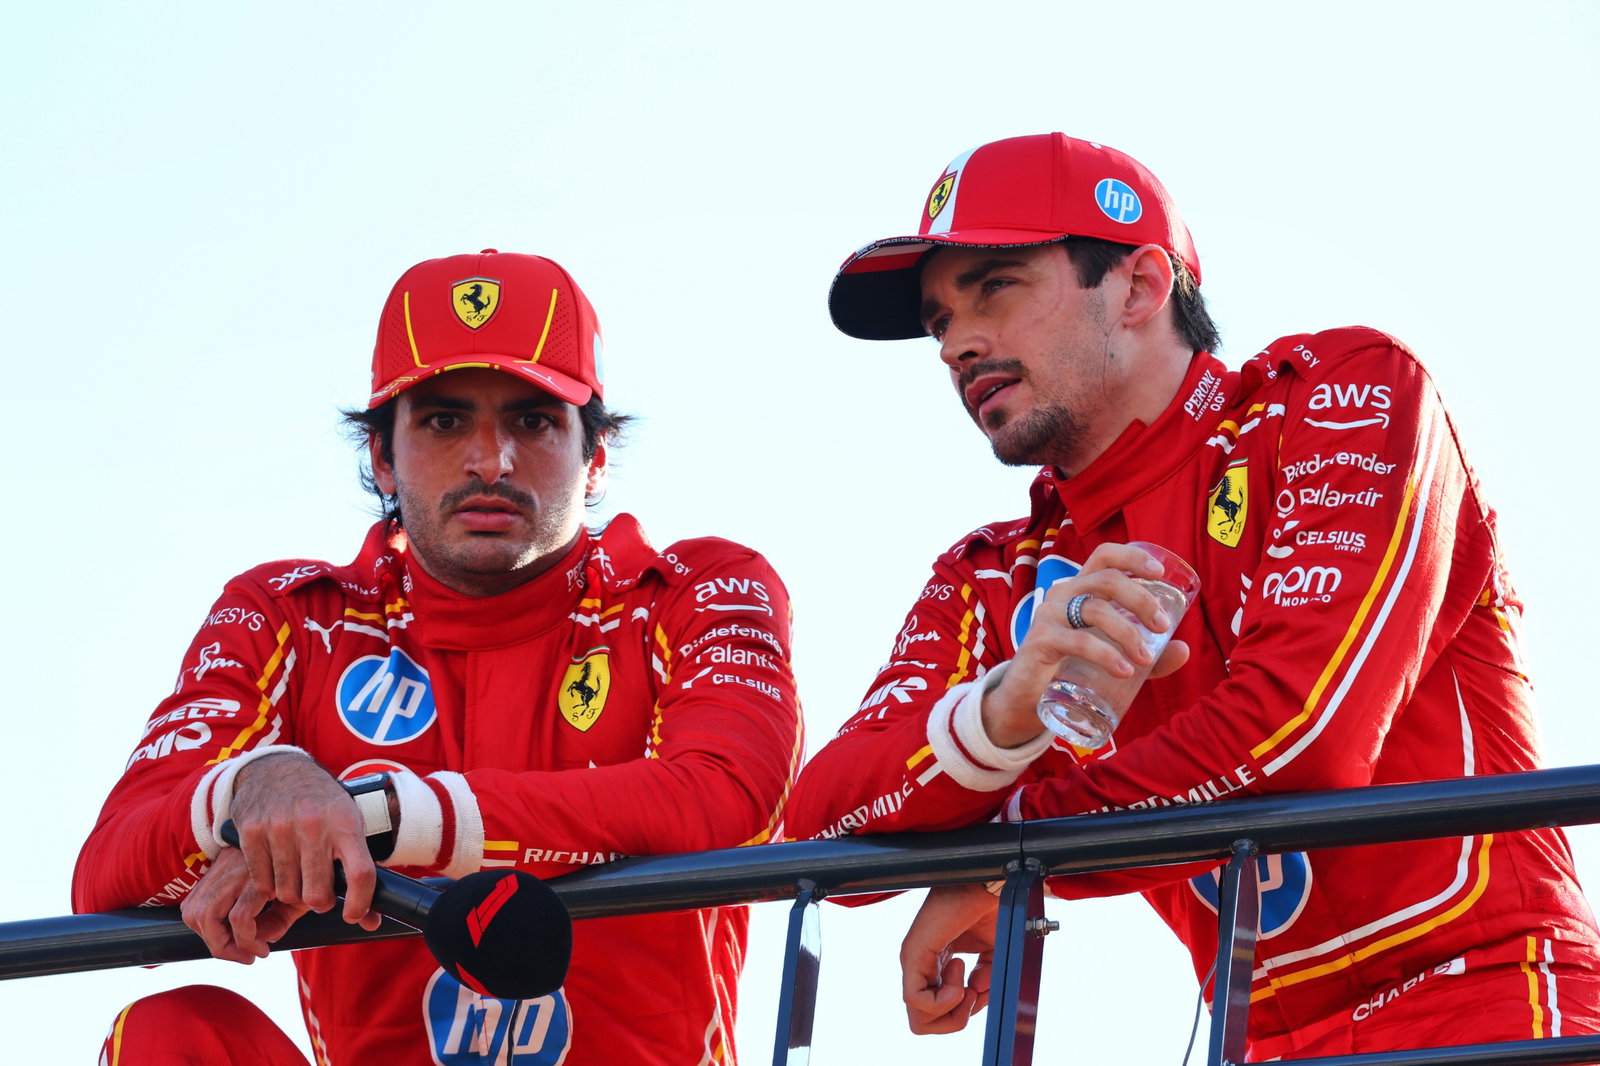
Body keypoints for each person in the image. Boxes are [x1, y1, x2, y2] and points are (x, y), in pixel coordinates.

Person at [783, 133, 1600, 1058]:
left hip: (1492, 1007)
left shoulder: (1341, 395)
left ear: (1138, 286)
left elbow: (1302, 735)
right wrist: (1003, 713)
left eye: (996, 286)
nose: (958, 344)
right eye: (938, 322)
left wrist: (1006, 862)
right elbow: (824, 830)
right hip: (1256, 1043)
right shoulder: (990, 574)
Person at [74, 250, 804, 1065]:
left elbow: (732, 794)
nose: (490, 462)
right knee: (169, 1035)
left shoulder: (695, 585)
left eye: (533, 420)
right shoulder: (283, 613)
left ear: (595, 457)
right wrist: (252, 791)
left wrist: (372, 818)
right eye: (444, 421)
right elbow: (104, 880)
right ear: (381, 456)